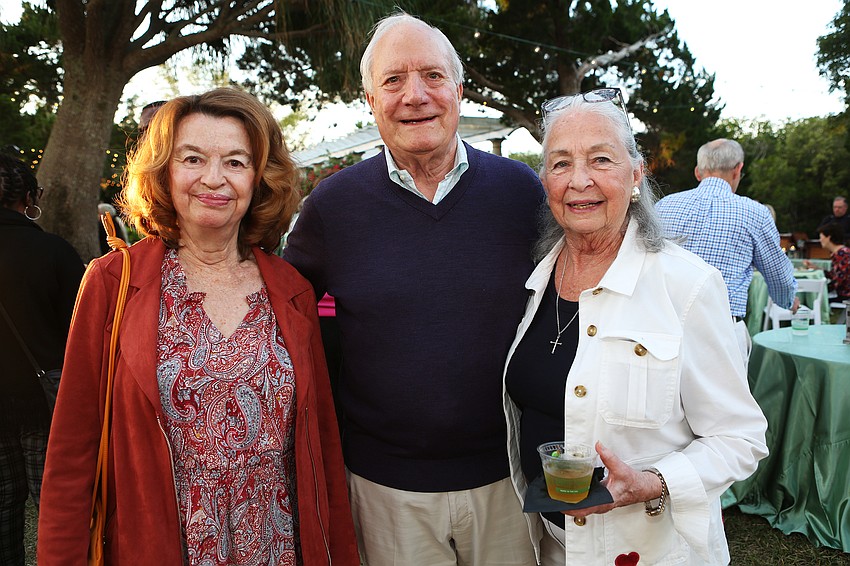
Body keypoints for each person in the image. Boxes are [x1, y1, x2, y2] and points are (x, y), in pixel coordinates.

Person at [37, 88, 358, 565]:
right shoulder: (112, 285)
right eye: (193, 158)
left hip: (276, 550)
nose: (214, 179)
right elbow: (71, 454)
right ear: (165, 172)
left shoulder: (292, 290)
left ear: (259, 177)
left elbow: (323, 450)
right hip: (156, 548)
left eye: (235, 161)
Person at [284, 12, 545, 566]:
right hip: (385, 488)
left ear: (458, 88)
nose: (415, 96)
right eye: (393, 80)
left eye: (431, 75)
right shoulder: (331, 208)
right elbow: (286, 320)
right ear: (369, 100)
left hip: (508, 479)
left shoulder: (523, 194)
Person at [502, 88, 769, 565]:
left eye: (601, 159)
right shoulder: (535, 278)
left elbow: (740, 437)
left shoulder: (685, 285)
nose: (578, 180)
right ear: (544, 180)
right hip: (547, 542)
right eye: (560, 163)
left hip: (645, 550)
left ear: (635, 175)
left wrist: (654, 483)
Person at [0, 153, 84, 566]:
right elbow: (82, 332)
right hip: (45, 403)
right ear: (29, 198)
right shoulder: (53, 251)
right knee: (55, 509)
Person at [655, 138, 798, 358]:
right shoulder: (755, 213)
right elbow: (780, 280)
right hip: (723, 333)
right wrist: (788, 299)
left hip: (664, 329)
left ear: (697, 172)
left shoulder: (664, 206)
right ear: (738, 170)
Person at [805, 222, 850, 302]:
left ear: (828, 237)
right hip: (842, 294)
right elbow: (834, 275)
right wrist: (817, 268)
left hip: (845, 296)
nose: (820, 240)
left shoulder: (843, 255)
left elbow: (837, 282)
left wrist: (818, 290)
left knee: (813, 300)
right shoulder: (839, 254)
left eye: (821, 237)